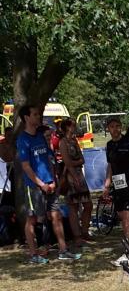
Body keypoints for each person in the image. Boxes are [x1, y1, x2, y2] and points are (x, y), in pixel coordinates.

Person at [16, 105, 81, 263]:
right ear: (26, 118)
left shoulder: (40, 136)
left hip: (50, 184)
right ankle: (34, 254)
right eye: (35, 114)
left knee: (56, 216)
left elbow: (48, 160)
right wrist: (41, 184)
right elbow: (26, 166)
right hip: (34, 187)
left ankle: (63, 250)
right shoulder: (23, 139)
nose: (38, 116)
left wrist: (53, 180)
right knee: (33, 219)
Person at [103, 116, 129, 264]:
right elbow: (110, 165)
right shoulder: (109, 145)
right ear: (108, 129)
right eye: (112, 126)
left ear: (121, 127)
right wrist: (107, 184)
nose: (115, 129)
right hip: (118, 185)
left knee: (128, 219)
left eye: (117, 126)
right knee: (123, 219)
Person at [58, 118, 93, 245]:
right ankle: (77, 235)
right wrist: (74, 172)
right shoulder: (63, 142)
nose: (75, 127)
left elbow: (82, 159)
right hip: (70, 177)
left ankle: (84, 231)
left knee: (88, 205)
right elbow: (67, 162)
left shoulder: (74, 141)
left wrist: (76, 163)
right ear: (67, 127)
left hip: (79, 174)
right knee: (73, 206)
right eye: (73, 125)